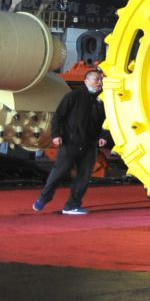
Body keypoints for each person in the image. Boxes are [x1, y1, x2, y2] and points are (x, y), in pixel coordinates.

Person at [33, 68, 107, 216]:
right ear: (86, 81)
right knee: (59, 172)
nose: (99, 82)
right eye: (96, 79)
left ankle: (72, 205)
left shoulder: (104, 100)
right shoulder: (73, 96)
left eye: (101, 79)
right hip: (70, 142)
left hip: (90, 144)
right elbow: (59, 116)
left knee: (84, 176)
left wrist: (103, 136)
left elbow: (107, 121)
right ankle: (43, 198)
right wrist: (56, 134)